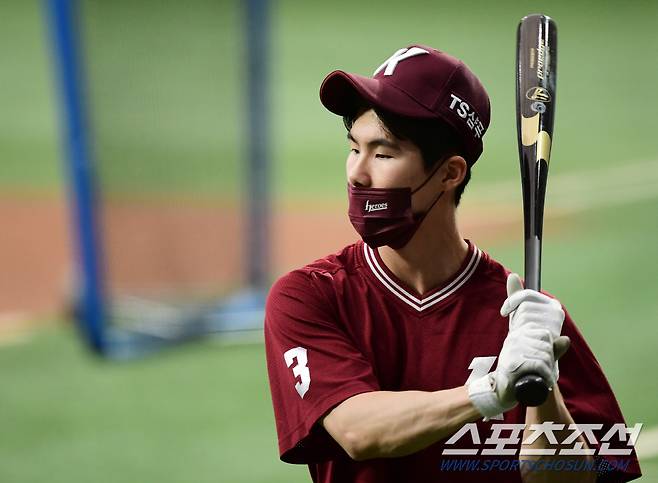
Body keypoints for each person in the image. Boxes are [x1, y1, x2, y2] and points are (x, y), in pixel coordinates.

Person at [264, 45, 641, 483]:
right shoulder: (312, 295)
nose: (357, 174)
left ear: (449, 173)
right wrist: (493, 391)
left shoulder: (526, 318)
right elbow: (358, 430)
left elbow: (570, 479)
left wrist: (544, 388)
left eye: (382, 154)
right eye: (354, 149)